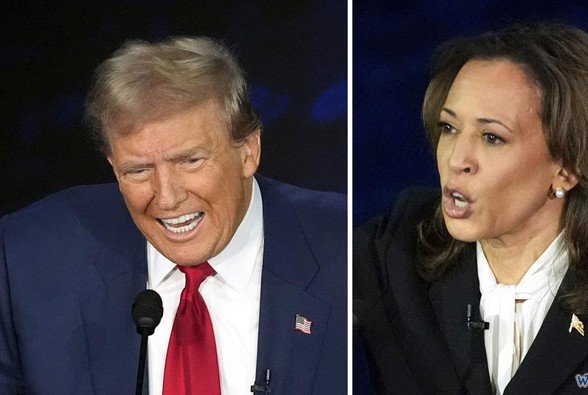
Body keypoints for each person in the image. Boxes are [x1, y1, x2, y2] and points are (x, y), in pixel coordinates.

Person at [354, 22, 588, 394]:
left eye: (491, 137)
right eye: (449, 128)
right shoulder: (391, 256)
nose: (457, 159)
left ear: (567, 168)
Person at [0, 36, 346, 394]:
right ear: (112, 165)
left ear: (248, 151)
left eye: (190, 161)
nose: (166, 197)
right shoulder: (28, 258)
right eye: (137, 170)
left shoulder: (348, 251)